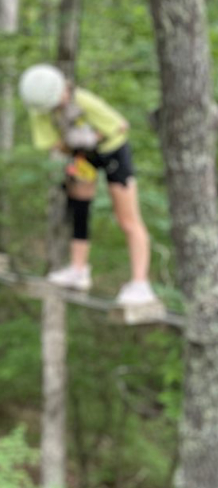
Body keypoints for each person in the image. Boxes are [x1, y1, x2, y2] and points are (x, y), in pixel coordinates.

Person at [18, 63, 160, 308]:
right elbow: (48, 142)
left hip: (112, 151)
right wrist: (74, 143)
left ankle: (140, 283)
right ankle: (78, 269)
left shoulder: (82, 100)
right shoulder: (40, 110)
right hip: (82, 156)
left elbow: (119, 125)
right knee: (79, 209)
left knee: (127, 218)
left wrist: (92, 137)